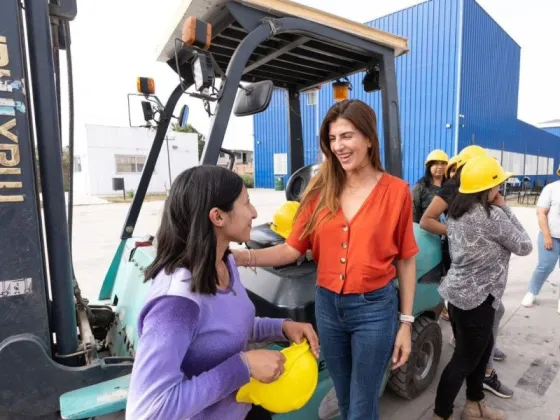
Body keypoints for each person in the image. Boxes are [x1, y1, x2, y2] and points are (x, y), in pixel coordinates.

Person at [233, 99, 418, 420]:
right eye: (332, 139)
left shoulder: (396, 192)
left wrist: (405, 324)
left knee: (362, 405)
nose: (339, 146)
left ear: (369, 138)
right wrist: (238, 257)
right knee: (344, 399)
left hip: (374, 310)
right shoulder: (320, 191)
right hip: (329, 308)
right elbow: (291, 250)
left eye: (347, 136)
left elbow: (405, 260)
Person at [126, 165, 320, 420]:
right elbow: (148, 411)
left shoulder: (225, 262)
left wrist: (282, 326)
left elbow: (228, 329)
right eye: (246, 203)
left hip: (242, 409)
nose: (254, 212)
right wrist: (243, 366)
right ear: (218, 217)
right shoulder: (176, 304)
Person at [432, 156, 532, 420]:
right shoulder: (492, 216)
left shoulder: (455, 212)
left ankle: (475, 405)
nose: (500, 190)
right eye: (497, 185)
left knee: (482, 350)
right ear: (487, 188)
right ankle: (441, 414)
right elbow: (525, 246)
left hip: (457, 297)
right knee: (463, 360)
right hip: (478, 301)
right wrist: (505, 208)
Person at [420, 146, 513, 399]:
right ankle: (485, 369)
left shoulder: (479, 191)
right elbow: (426, 220)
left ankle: (480, 354)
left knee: (483, 315)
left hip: (477, 264)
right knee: (482, 314)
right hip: (463, 261)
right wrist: (459, 234)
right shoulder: (454, 187)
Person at [521, 175, 560, 314]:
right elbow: (541, 213)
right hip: (552, 236)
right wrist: (547, 235)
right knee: (545, 266)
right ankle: (531, 292)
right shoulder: (551, 188)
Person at [412, 149, 449, 223]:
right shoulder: (421, 186)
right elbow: (414, 211)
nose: (440, 167)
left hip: (448, 230)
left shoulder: (450, 185)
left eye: (443, 163)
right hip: (426, 231)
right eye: (436, 164)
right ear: (429, 166)